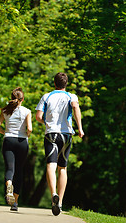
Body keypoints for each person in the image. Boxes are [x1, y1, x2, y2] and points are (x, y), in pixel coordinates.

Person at [36, 72, 84, 216]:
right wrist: (80, 128)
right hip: (66, 134)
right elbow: (75, 107)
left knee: (51, 166)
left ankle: (53, 195)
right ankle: (60, 202)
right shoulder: (71, 96)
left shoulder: (47, 96)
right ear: (66, 83)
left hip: (51, 134)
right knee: (62, 168)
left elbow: (38, 116)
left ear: (54, 83)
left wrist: (46, 122)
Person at [0, 87, 32, 211]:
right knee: (19, 171)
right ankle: (15, 202)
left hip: (8, 140)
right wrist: (27, 135)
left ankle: (9, 185)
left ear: (11, 98)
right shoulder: (27, 111)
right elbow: (30, 129)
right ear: (22, 99)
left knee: (10, 168)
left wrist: (5, 132)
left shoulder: (5, 111)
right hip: (22, 142)